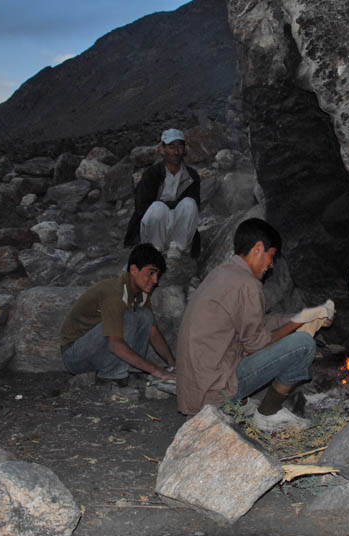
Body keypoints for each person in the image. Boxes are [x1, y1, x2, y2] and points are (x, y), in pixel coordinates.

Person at [176, 218, 334, 432]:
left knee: (292, 335)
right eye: (271, 256)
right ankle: (268, 413)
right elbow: (257, 344)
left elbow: (260, 322)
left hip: (197, 388)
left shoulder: (222, 273)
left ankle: (239, 406)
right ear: (258, 248)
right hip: (215, 389)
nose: (271, 265)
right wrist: (298, 323)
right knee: (303, 344)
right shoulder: (247, 283)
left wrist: (303, 315)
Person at [60, 244, 176, 384]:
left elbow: (153, 332)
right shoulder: (115, 294)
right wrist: (156, 370)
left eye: (157, 275)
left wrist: (172, 364)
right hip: (75, 355)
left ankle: (132, 371)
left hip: (97, 351)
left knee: (144, 315)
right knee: (128, 317)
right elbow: (115, 345)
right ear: (134, 270)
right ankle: (111, 377)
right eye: (151, 273)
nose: (155, 280)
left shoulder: (141, 294)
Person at [124, 128, 200, 260]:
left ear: (184, 150)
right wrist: (168, 208)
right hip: (154, 229)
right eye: (171, 147)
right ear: (162, 149)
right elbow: (141, 207)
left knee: (189, 204)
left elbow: (194, 207)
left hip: (177, 229)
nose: (176, 152)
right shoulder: (152, 174)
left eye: (180, 146)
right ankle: (155, 250)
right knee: (158, 208)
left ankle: (177, 248)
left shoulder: (191, 176)